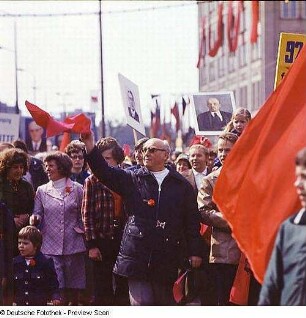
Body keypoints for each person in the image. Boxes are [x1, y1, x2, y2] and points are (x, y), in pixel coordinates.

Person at [80, 131, 203, 305]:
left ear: (166, 155)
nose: (147, 154)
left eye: (152, 150)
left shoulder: (181, 185)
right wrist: (90, 145)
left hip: (166, 256)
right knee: (141, 304)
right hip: (137, 253)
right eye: (145, 150)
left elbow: (191, 221)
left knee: (164, 304)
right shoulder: (131, 177)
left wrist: (195, 251)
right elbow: (103, 172)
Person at [30, 151, 86, 305]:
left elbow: (84, 214)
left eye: (51, 166)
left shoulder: (78, 189)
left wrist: (81, 230)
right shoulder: (42, 190)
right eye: (46, 166)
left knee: (74, 290)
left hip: (74, 245)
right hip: (50, 244)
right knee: (57, 290)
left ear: (61, 167)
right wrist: (34, 218)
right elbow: (37, 212)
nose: (47, 169)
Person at [82, 137, 129, 305]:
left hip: (124, 238)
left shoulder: (127, 177)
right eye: (101, 159)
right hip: (102, 239)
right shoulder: (92, 180)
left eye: (107, 159)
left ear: (117, 158)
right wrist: (92, 245)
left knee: (123, 284)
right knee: (102, 288)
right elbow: (87, 215)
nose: (103, 163)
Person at [258, 147, 306, 305]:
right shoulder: (289, 229)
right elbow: (271, 286)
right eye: (297, 176)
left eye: (304, 177)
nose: (297, 183)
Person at [197, 132, 241, 305]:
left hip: (249, 252)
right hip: (223, 251)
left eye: (228, 150)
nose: (223, 154)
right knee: (225, 300)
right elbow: (203, 210)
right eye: (221, 150)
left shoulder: (252, 174)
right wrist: (232, 222)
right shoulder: (210, 180)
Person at [13, 226, 61, 306]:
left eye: (25, 243)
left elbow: (53, 282)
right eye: (19, 243)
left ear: (36, 246)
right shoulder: (15, 263)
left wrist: (55, 297)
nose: (21, 246)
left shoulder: (45, 262)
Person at [0, 148, 35, 253]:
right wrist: (11, 220)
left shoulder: (26, 186)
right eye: (15, 167)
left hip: (22, 237)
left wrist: (28, 216)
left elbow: (33, 207)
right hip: (3, 236)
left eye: (21, 167)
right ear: (6, 168)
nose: (19, 170)